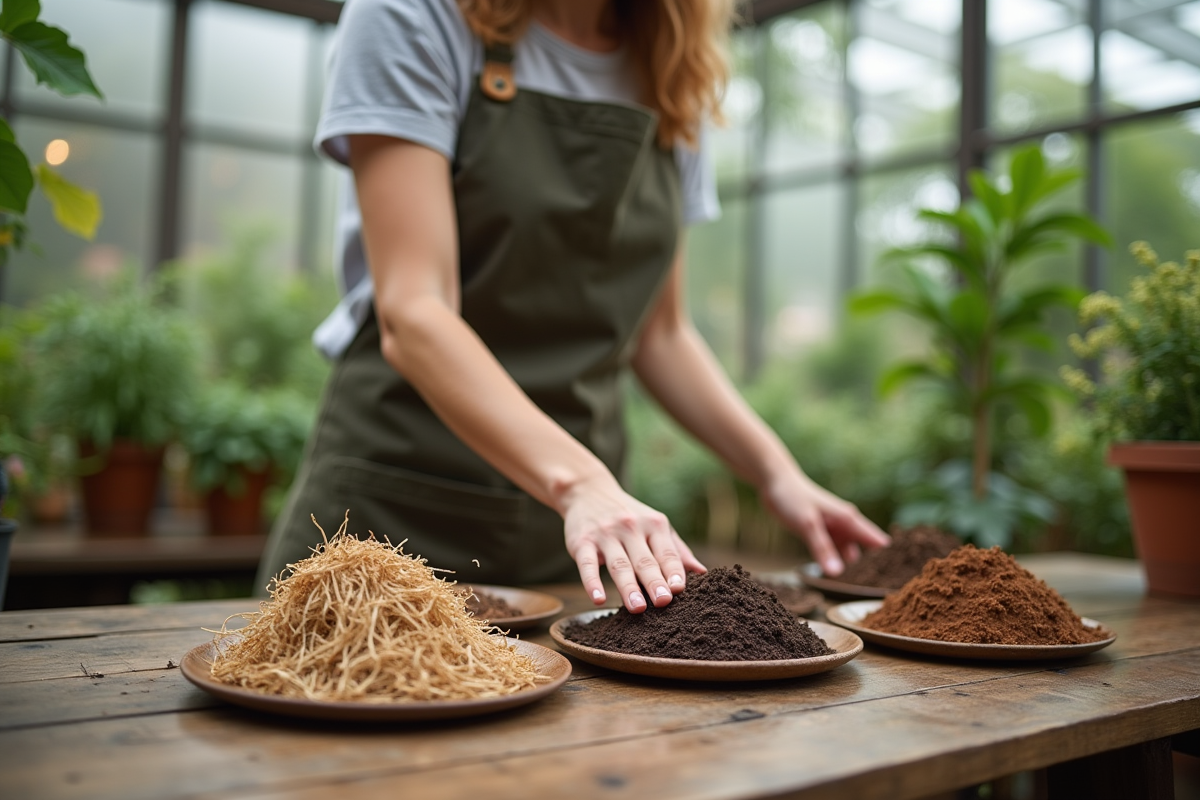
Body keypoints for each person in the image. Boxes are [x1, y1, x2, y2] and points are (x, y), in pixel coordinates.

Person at [257, 0, 889, 613]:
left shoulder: (673, 75)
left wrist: (777, 474)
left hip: (566, 539)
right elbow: (415, 311)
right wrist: (581, 483)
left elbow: (661, 334)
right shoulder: (413, 15)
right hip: (395, 511)